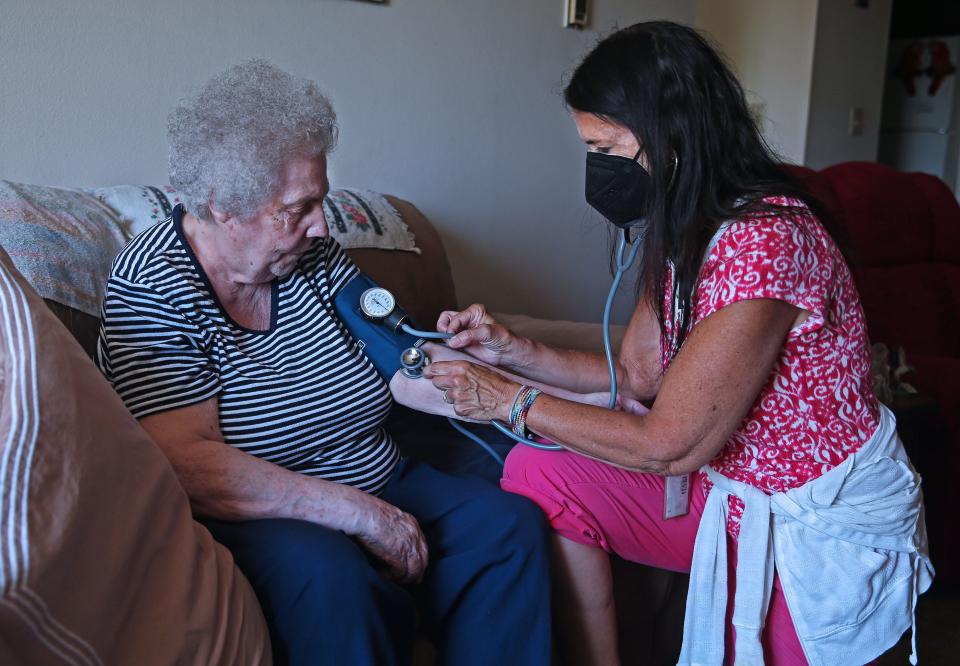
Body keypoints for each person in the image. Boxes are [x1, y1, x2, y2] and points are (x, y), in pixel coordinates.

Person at [423, 21, 934, 666]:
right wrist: (510, 350)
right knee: (539, 470)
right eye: (590, 149)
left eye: (608, 147)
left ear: (674, 135)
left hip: (801, 515)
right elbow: (639, 372)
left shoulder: (767, 240)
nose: (599, 171)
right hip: (728, 486)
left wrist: (506, 399)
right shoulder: (684, 225)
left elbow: (669, 445)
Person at [95, 60, 554, 666]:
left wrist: (555, 403)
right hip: (266, 512)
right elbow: (187, 462)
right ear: (223, 207)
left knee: (506, 527)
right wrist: (358, 515)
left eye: (321, 201)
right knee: (330, 580)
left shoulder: (312, 259)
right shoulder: (155, 284)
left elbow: (410, 367)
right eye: (298, 207)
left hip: (376, 471)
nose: (320, 224)